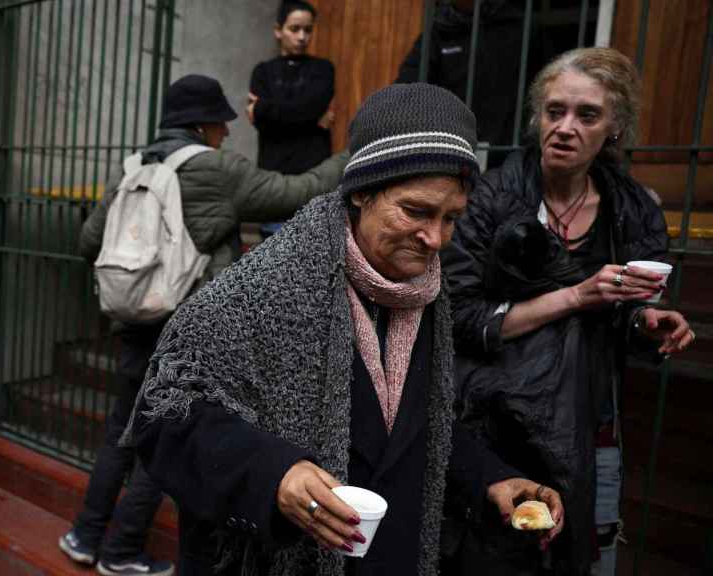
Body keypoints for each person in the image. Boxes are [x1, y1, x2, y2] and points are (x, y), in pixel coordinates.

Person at [124, 83, 564, 575]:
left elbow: (410, 427)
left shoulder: (424, 292)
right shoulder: (258, 291)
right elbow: (164, 416)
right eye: (416, 211)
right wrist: (276, 476)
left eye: (451, 218)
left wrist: (490, 478)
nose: (436, 238)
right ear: (361, 192)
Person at [63, 73, 347, 576]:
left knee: (120, 434)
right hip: (187, 331)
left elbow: (89, 240)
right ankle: (123, 551)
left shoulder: (133, 166)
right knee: (166, 439)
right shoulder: (215, 169)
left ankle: (84, 536)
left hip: (132, 324)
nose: (227, 133)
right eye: (222, 124)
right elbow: (300, 191)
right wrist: (359, 148)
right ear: (204, 124)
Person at [441, 47, 694, 575]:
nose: (565, 127)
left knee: (581, 556)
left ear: (615, 128)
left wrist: (647, 320)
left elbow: (623, 314)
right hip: (496, 422)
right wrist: (576, 295)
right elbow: (460, 319)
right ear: (537, 117)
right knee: (494, 557)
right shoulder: (490, 199)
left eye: (587, 115)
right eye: (554, 111)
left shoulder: (632, 210)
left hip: (587, 419)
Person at [396, 0, 541, 169]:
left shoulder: (519, 25)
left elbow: (541, 87)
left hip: (509, 150)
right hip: (454, 147)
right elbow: (406, 89)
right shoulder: (440, 30)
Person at [249, 0, 335, 238]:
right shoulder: (263, 72)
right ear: (278, 30)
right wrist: (309, 117)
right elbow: (263, 122)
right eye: (294, 29)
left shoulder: (323, 69)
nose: (302, 37)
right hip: (274, 182)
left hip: (312, 181)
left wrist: (266, 108)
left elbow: (310, 107)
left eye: (308, 30)